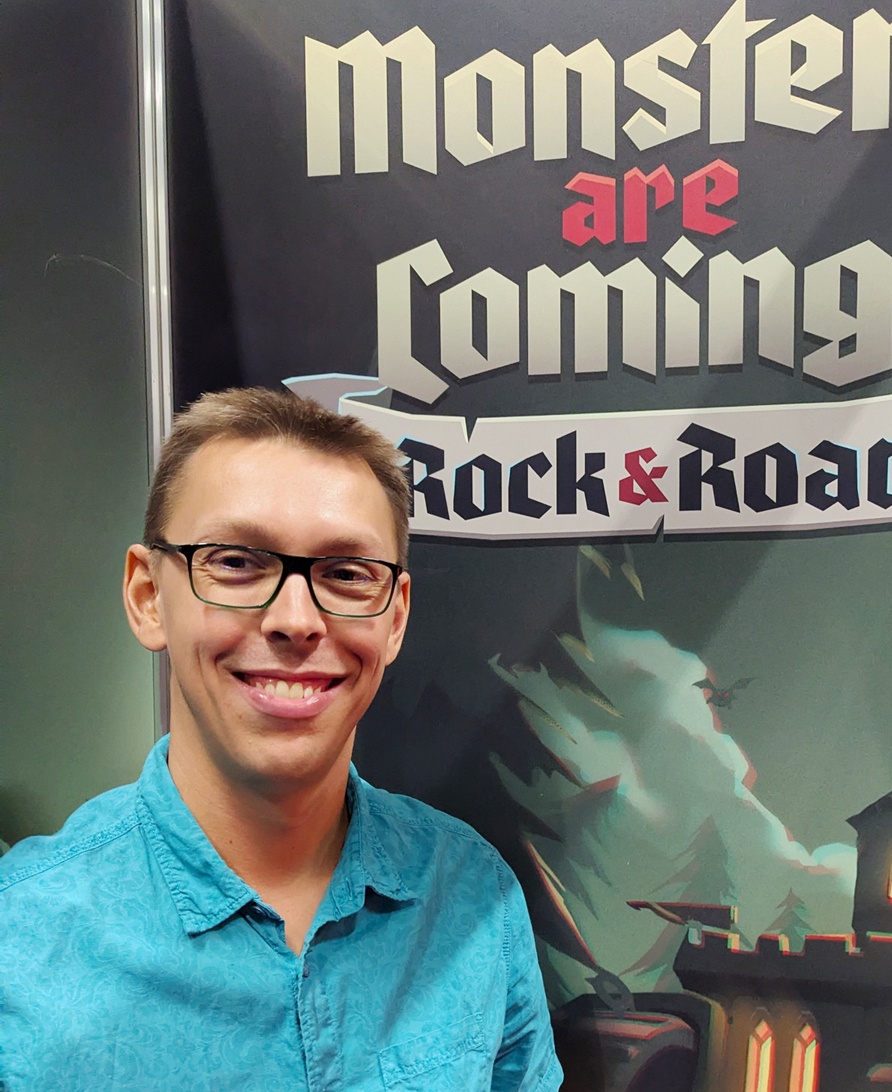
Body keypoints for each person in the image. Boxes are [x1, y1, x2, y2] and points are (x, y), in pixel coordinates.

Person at [0, 388, 564, 1092]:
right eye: (237, 562)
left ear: (394, 619)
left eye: (347, 573)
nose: (296, 620)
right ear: (148, 597)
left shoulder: (472, 895)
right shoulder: (19, 942)